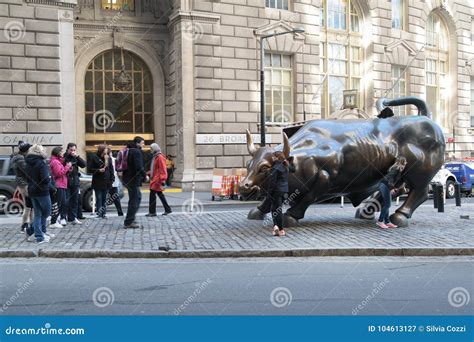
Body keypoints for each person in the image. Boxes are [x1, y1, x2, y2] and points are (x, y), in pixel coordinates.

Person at [25, 144, 54, 244]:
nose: (44, 151)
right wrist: (49, 180)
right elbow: (45, 178)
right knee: (46, 213)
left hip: (32, 191)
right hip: (42, 191)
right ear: (39, 151)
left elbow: (26, 178)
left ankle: (38, 234)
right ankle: (38, 234)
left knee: (38, 214)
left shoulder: (28, 163)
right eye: (43, 149)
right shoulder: (41, 163)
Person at [376, 156, 408, 229]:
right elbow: (389, 179)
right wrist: (391, 189)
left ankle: (387, 222)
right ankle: (380, 221)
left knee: (387, 204)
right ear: (402, 162)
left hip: (385, 186)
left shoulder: (398, 169)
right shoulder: (396, 169)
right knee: (387, 204)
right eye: (405, 161)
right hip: (385, 185)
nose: (406, 162)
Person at [267, 151, 292, 237]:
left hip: (276, 191)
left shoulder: (275, 167)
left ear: (277, 157)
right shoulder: (285, 166)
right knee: (275, 209)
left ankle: (281, 229)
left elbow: (272, 183)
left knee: (277, 210)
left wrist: (269, 194)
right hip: (284, 191)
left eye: (273, 157)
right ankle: (275, 227)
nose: (272, 158)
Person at [123, 136, 146, 229]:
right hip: (133, 180)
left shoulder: (129, 151)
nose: (143, 145)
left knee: (135, 198)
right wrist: (145, 175)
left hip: (128, 179)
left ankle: (131, 219)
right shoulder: (136, 152)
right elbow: (138, 166)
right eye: (142, 143)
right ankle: (128, 222)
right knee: (135, 200)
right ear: (137, 143)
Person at [11, 142, 33, 231]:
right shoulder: (20, 159)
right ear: (26, 150)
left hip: (24, 183)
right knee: (28, 206)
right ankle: (25, 225)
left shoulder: (21, 158)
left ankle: (31, 224)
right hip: (24, 184)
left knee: (30, 206)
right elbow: (27, 171)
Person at [88, 144, 114, 219]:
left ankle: (104, 213)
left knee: (104, 198)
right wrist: (98, 170)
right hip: (98, 181)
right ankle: (99, 213)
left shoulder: (108, 158)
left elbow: (111, 169)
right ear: (101, 150)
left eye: (106, 150)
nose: (106, 152)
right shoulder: (94, 158)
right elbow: (90, 169)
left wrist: (112, 179)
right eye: (104, 150)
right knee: (99, 198)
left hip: (107, 182)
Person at [146, 143, 172, 217]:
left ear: (154, 149)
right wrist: (148, 173)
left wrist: (162, 180)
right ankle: (167, 209)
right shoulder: (156, 157)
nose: (150, 150)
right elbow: (155, 169)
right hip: (155, 179)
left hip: (157, 180)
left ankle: (152, 212)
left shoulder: (159, 157)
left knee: (152, 195)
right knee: (160, 195)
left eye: (151, 149)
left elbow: (163, 169)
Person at [64, 142, 86, 225]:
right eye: (71, 150)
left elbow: (83, 165)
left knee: (75, 200)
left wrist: (77, 156)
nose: (72, 151)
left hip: (75, 181)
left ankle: (73, 217)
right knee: (66, 201)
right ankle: (64, 217)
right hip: (66, 182)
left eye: (74, 150)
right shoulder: (64, 156)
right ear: (68, 149)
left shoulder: (76, 157)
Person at [49, 146, 72, 226]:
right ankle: (53, 221)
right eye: (62, 152)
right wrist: (67, 167)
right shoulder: (55, 162)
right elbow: (58, 173)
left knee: (62, 203)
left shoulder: (58, 161)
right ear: (58, 152)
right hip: (59, 185)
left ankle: (56, 220)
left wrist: (67, 169)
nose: (63, 153)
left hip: (62, 185)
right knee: (58, 204)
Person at [107, 147, 123, 216]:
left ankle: (120, 213)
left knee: (115, 198)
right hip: (109, 182)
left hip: (113, 182)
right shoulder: (111, 160)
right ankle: (120, 213)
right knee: (115, 198)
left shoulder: (114, 160)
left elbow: (118, 170)